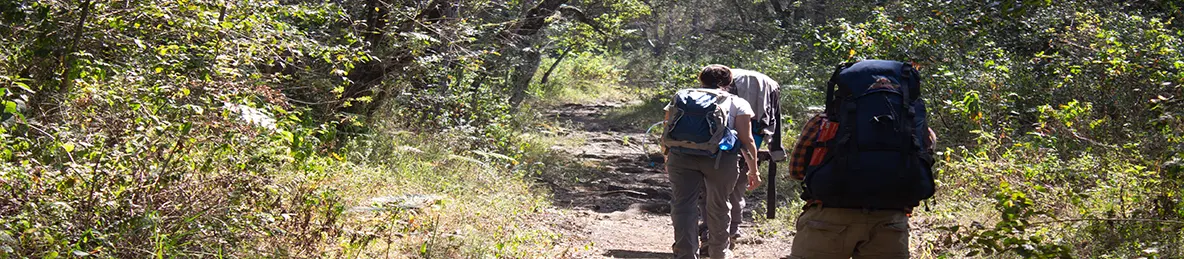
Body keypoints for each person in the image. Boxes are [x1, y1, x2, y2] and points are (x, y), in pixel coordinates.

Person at [786, 60, 938, 259]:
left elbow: (796, 171)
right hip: (890, 220)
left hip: (828, 219)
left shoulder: (824, 122)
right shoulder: (917, 128)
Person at [662, 64, 763, 259]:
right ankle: (719, 253)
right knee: (719, 206)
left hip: (681, 156)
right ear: (728, 82)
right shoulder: (737, 102)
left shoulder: (681, 97)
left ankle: (685, 254)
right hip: (720, 160)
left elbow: (667, 129)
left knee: (683, 205)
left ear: (701, 79)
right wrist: (754, 171)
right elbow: (747, 140)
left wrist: (667, 157)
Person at [695, 68, 789, 254]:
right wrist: (771, 153)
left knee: (709, 193)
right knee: (736, 192)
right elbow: (765, 128)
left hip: (715, 150)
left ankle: (709, 235)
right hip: (748, 147)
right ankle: (731, 233)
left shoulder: (714, 98)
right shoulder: (765, 92)